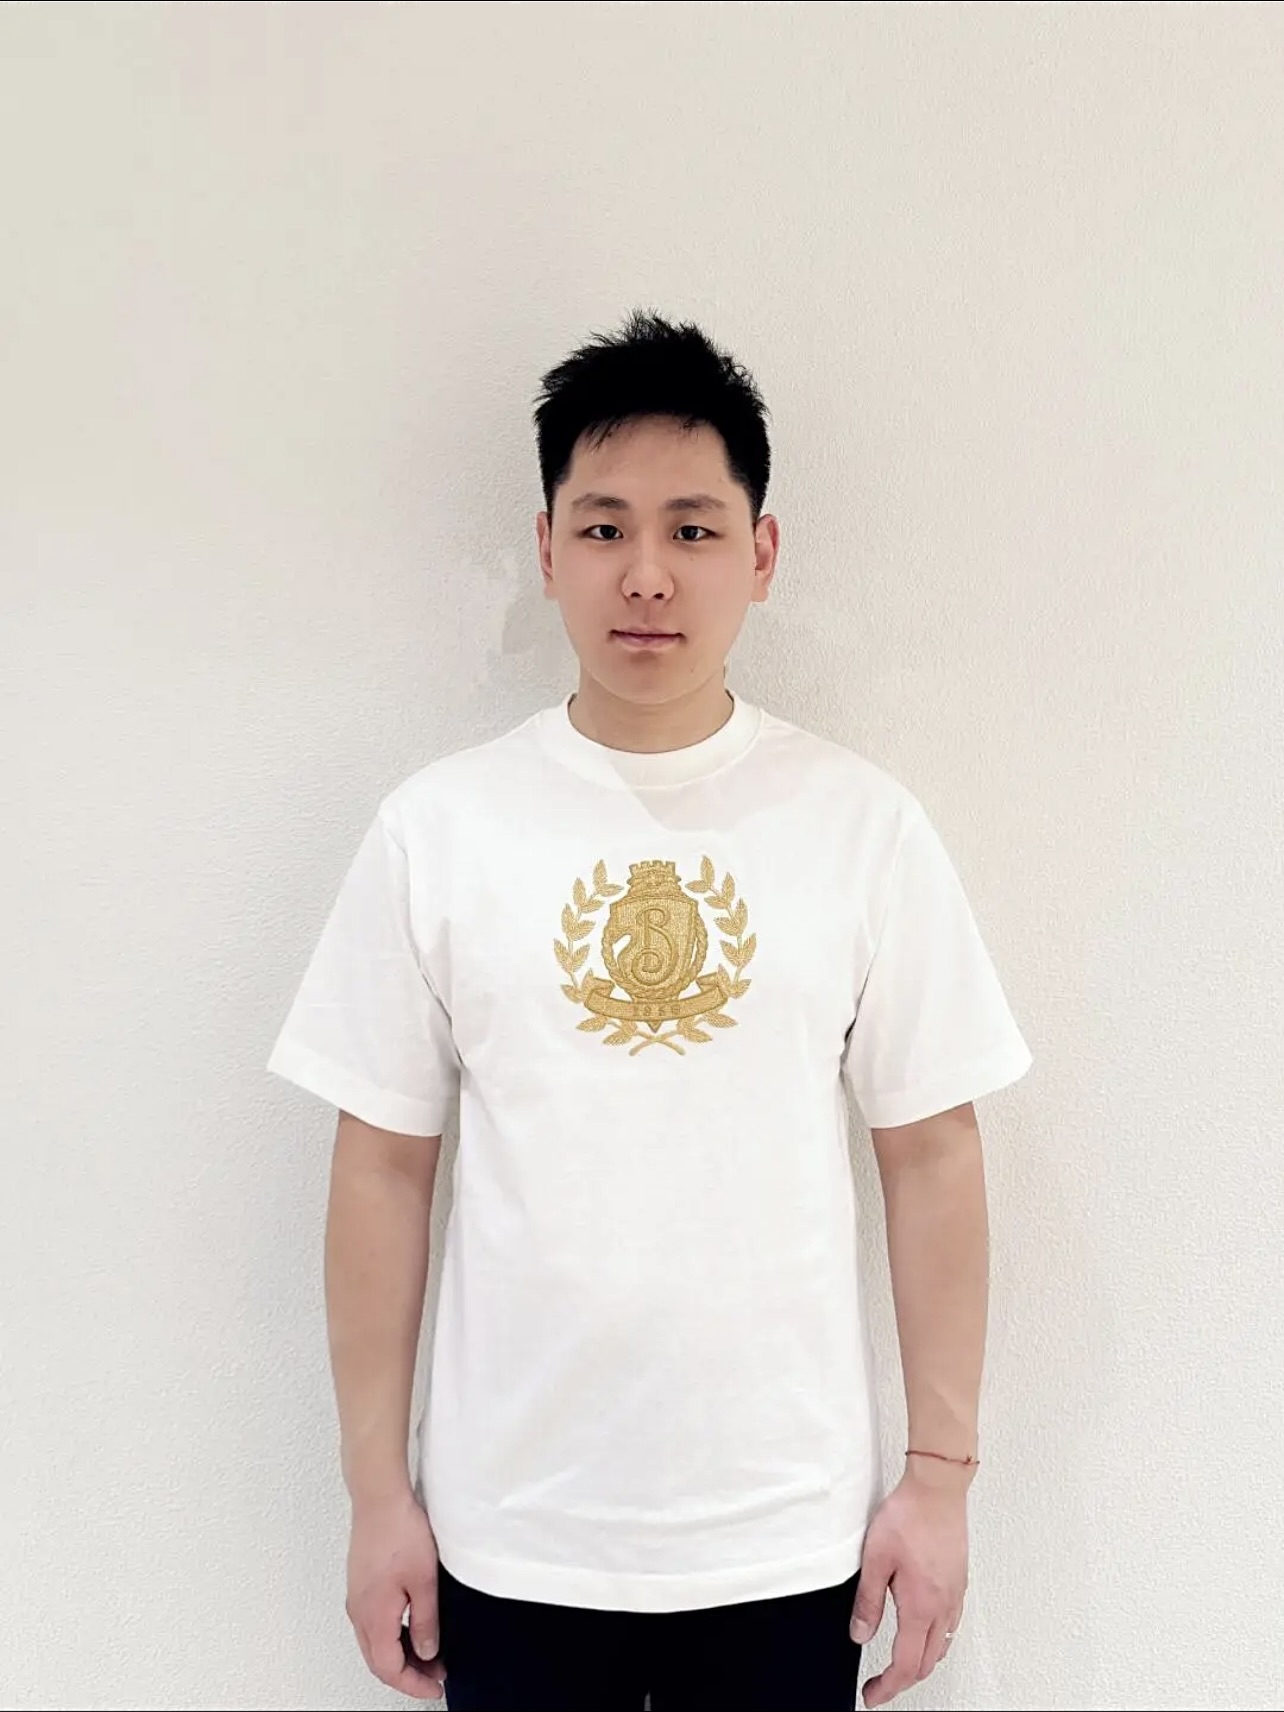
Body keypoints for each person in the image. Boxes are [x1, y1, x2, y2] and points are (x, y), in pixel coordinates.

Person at [267, 311, 1032, 1711]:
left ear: (762, 553)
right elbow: (380, 1168)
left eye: (693, 529)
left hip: (787, 1538)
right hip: (510, 1538)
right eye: (604, 526)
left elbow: (932, 1154)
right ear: (546, 548)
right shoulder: (440, 831)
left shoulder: (861, 828)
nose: (647, 574)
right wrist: (377, 1497)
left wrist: (941, 1480)